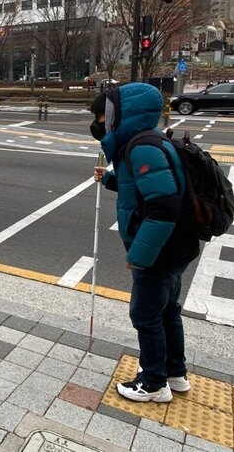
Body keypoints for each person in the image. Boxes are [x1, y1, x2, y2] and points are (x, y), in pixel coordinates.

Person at [90, 83, 200, 403]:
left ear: (120, 115)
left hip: (160, 251)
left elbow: (163, 206)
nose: (100, 124)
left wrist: (140, 254)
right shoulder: (146, 143)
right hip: (175, 246)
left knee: (145, 315)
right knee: (167, 312)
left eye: (103, 116)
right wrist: (110, 179)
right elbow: (142, 191)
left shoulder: (143, 147)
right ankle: (175, 373)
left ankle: (154, 382)